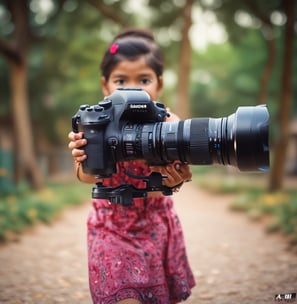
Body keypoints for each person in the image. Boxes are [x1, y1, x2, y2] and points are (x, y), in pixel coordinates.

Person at [68, 28, 195, 304]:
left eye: (144, 79)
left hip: (156, 226)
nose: (132, 88)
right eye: (121, 80)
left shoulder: (169, 124)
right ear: (105, 85)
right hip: (112, 228)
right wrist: (83, 157)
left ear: (159, 84)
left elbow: (179, 174)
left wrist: (177, 179)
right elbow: (85, 176)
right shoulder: (97, 121)